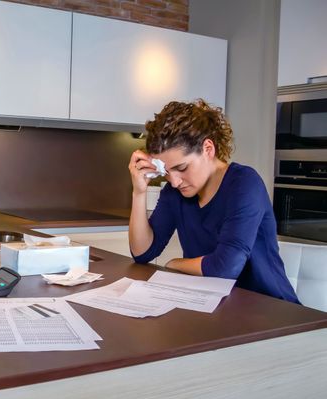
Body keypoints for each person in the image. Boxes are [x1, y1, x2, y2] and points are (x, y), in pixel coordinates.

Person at [128, 99, 299, 303]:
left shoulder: (244, 184)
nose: (174, 181)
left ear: (208, 149)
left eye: (182, 168)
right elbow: (143, 253)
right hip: (215, 304)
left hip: (271, 309)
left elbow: (226, 267)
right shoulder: (176, 192)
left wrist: (175, 263)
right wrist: (139, 192)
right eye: (166, 172)